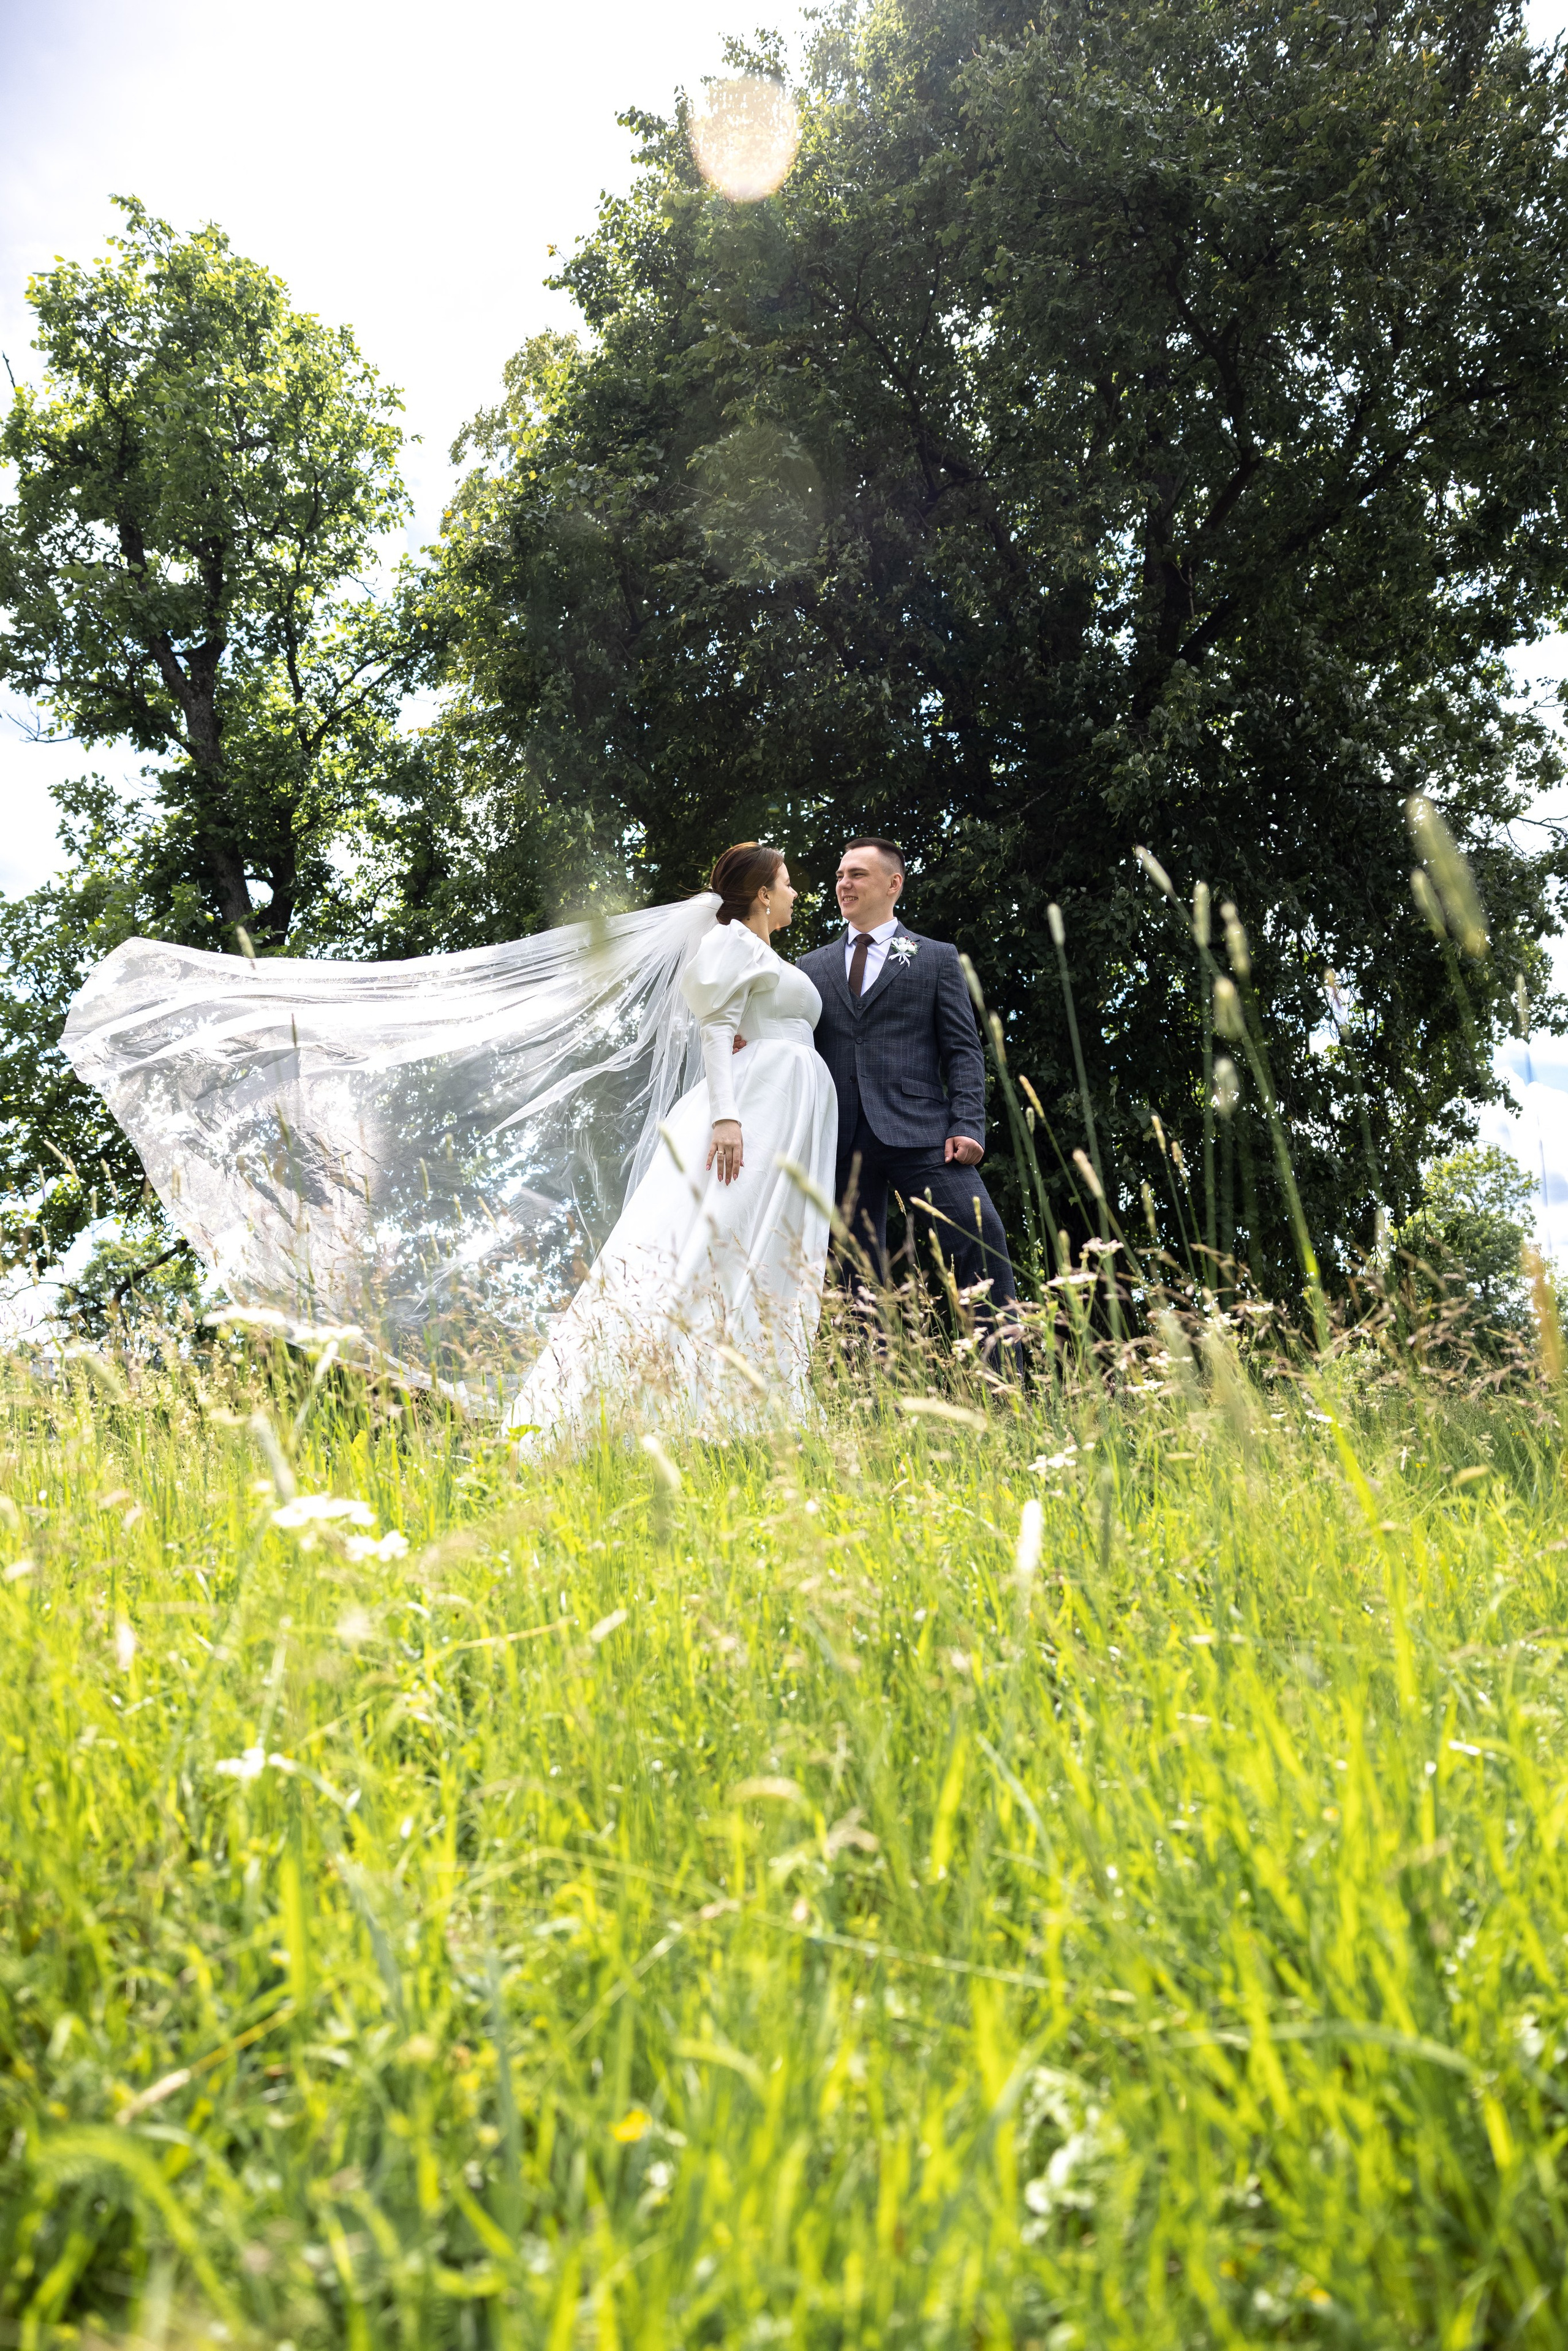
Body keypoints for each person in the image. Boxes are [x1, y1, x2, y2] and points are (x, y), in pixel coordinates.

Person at [506, 843, 839, 1440]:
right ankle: (663, 1394)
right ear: (762, 893)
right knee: (721, 1236)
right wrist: (727, 1118)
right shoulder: (731, 942)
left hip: (790, 1109)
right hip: (757, 1108)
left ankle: (749, 1400)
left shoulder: (764, 953)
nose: (794, 893)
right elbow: (716, 1029)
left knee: (766, 1247)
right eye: (786, 882)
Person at [795, 838, 1017, 1329]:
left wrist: (969, 1126)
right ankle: (870, 1395)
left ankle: (1003, 1388)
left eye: (857, 874)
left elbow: (962, 1050)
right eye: (839, 876)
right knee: (853, 1275)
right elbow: (795, 1045)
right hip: (839, 1138)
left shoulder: (935, 957)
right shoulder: (810, 968)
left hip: (924, 1133)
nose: (843, 884)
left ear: (893, 884)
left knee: (980, 1235)